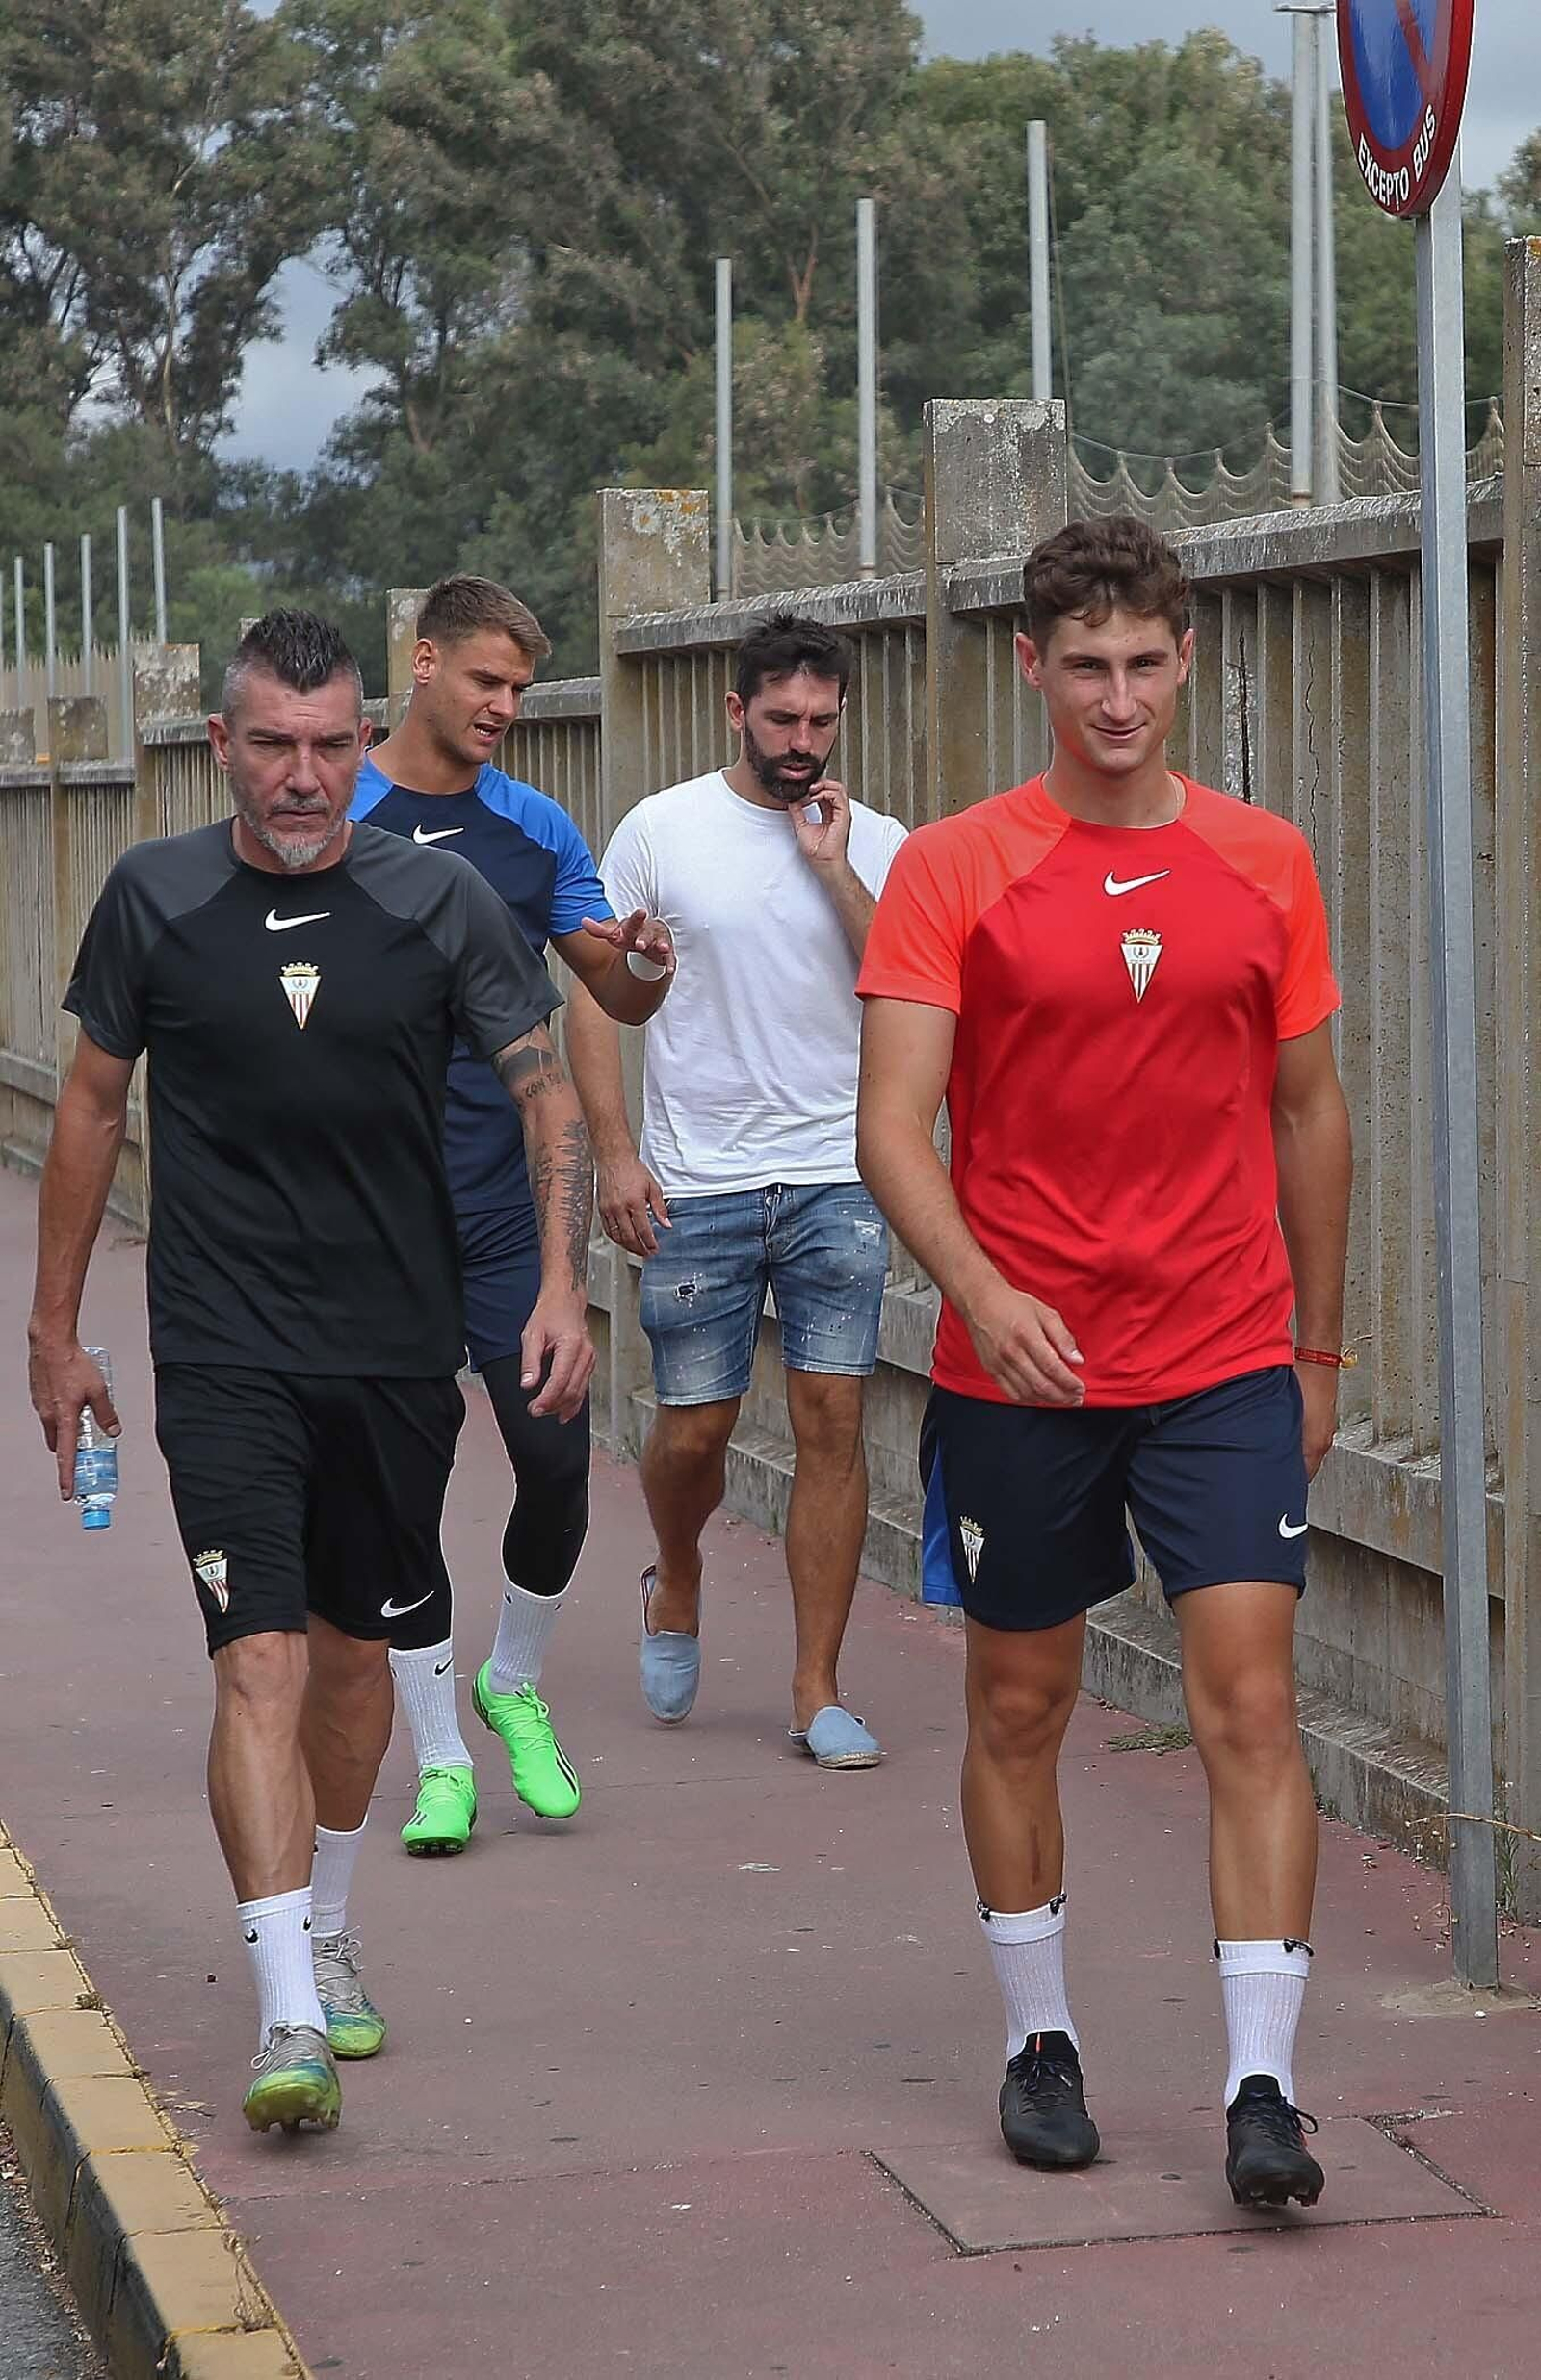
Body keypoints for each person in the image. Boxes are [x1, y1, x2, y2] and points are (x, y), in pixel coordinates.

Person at [27, 611, 594, 2135]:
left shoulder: (443, 899)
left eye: (330, 745)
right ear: (220, 745)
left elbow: (547, 1095)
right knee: (258, 1659)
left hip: (397, 1349)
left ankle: (327, 1913)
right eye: (271, 745)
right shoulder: (154, 898)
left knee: (353, 1667)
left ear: (364, 741)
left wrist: (558, 1284)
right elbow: (89, 1107)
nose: (302, 775)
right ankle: (285, 2004)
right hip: (219, 1344)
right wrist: (57, 1328)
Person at [855, 517, 1351, 2208]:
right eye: (1087, 666)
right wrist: (982, 1292)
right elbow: (892, 1124)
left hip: (1219, 1354)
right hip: (1028, 1368)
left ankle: (1265, 2090)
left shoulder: (1267, 860)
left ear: (1186, 658)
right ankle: (1041, 2041)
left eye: (1146, 663)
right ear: (1033, 669)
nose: (1119, 697)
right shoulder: (957, 868)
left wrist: (1320, 1341)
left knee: (1255, 1705)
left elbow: (1309, 1109)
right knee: (1019, 1701)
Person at [351, 575, 674, 1858]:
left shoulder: (533, 826)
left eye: (520, 689)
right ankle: (437, 1755)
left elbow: (617, 988)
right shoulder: (337, 804)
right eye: (485, 681)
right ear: (421, 663)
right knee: (401, 1486)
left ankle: (513, 1679)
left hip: (501, 1208)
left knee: (552, 1462)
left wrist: (644, 956)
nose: (503, 706)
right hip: (370, 1219)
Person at [565, 613, 905, 1767]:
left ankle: (816, 1688)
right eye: (781, 719)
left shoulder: (882, 841)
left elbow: (903, 986)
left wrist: (832, 864)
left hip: (837, 1178)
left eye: (821, 719)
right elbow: (595, 992)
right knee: (694, 1432)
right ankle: (680, 1569)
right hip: (697, 1179)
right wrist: (616, 1153)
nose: (802, 740)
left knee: (833, 1420)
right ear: (736, 712)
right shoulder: (661, 830)